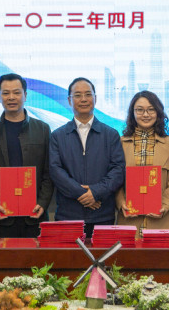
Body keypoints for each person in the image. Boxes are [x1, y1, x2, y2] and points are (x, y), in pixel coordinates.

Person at [0, 74, 52, 238]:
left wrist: (43, 202)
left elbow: (49, 170)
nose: (11, 97)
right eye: (6, 93)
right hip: (1, 214)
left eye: (17, 92)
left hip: (34, 213)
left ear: (25, 95)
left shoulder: (43, 129)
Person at [49, 77, 125, 238]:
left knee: (104, 255)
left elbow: (118, 170)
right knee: (68, 255)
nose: (83, 99)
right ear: (69, 100)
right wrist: (83, 194)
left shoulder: (111, 134)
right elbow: (55, 171)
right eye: (77, 95)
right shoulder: (57, 136)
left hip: (102, 215)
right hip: (68, 216)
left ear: (95, 99)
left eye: (88, 94)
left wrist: (96, 192)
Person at [115, 91, 169, 234]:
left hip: (163, 219)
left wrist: (165, 205)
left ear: (158, 112)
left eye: (151, 109)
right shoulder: (120, 143)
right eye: (139, 110)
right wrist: (121, 203)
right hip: (129, 218)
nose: (145, 114)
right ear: (132, 113)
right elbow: (115, 178)